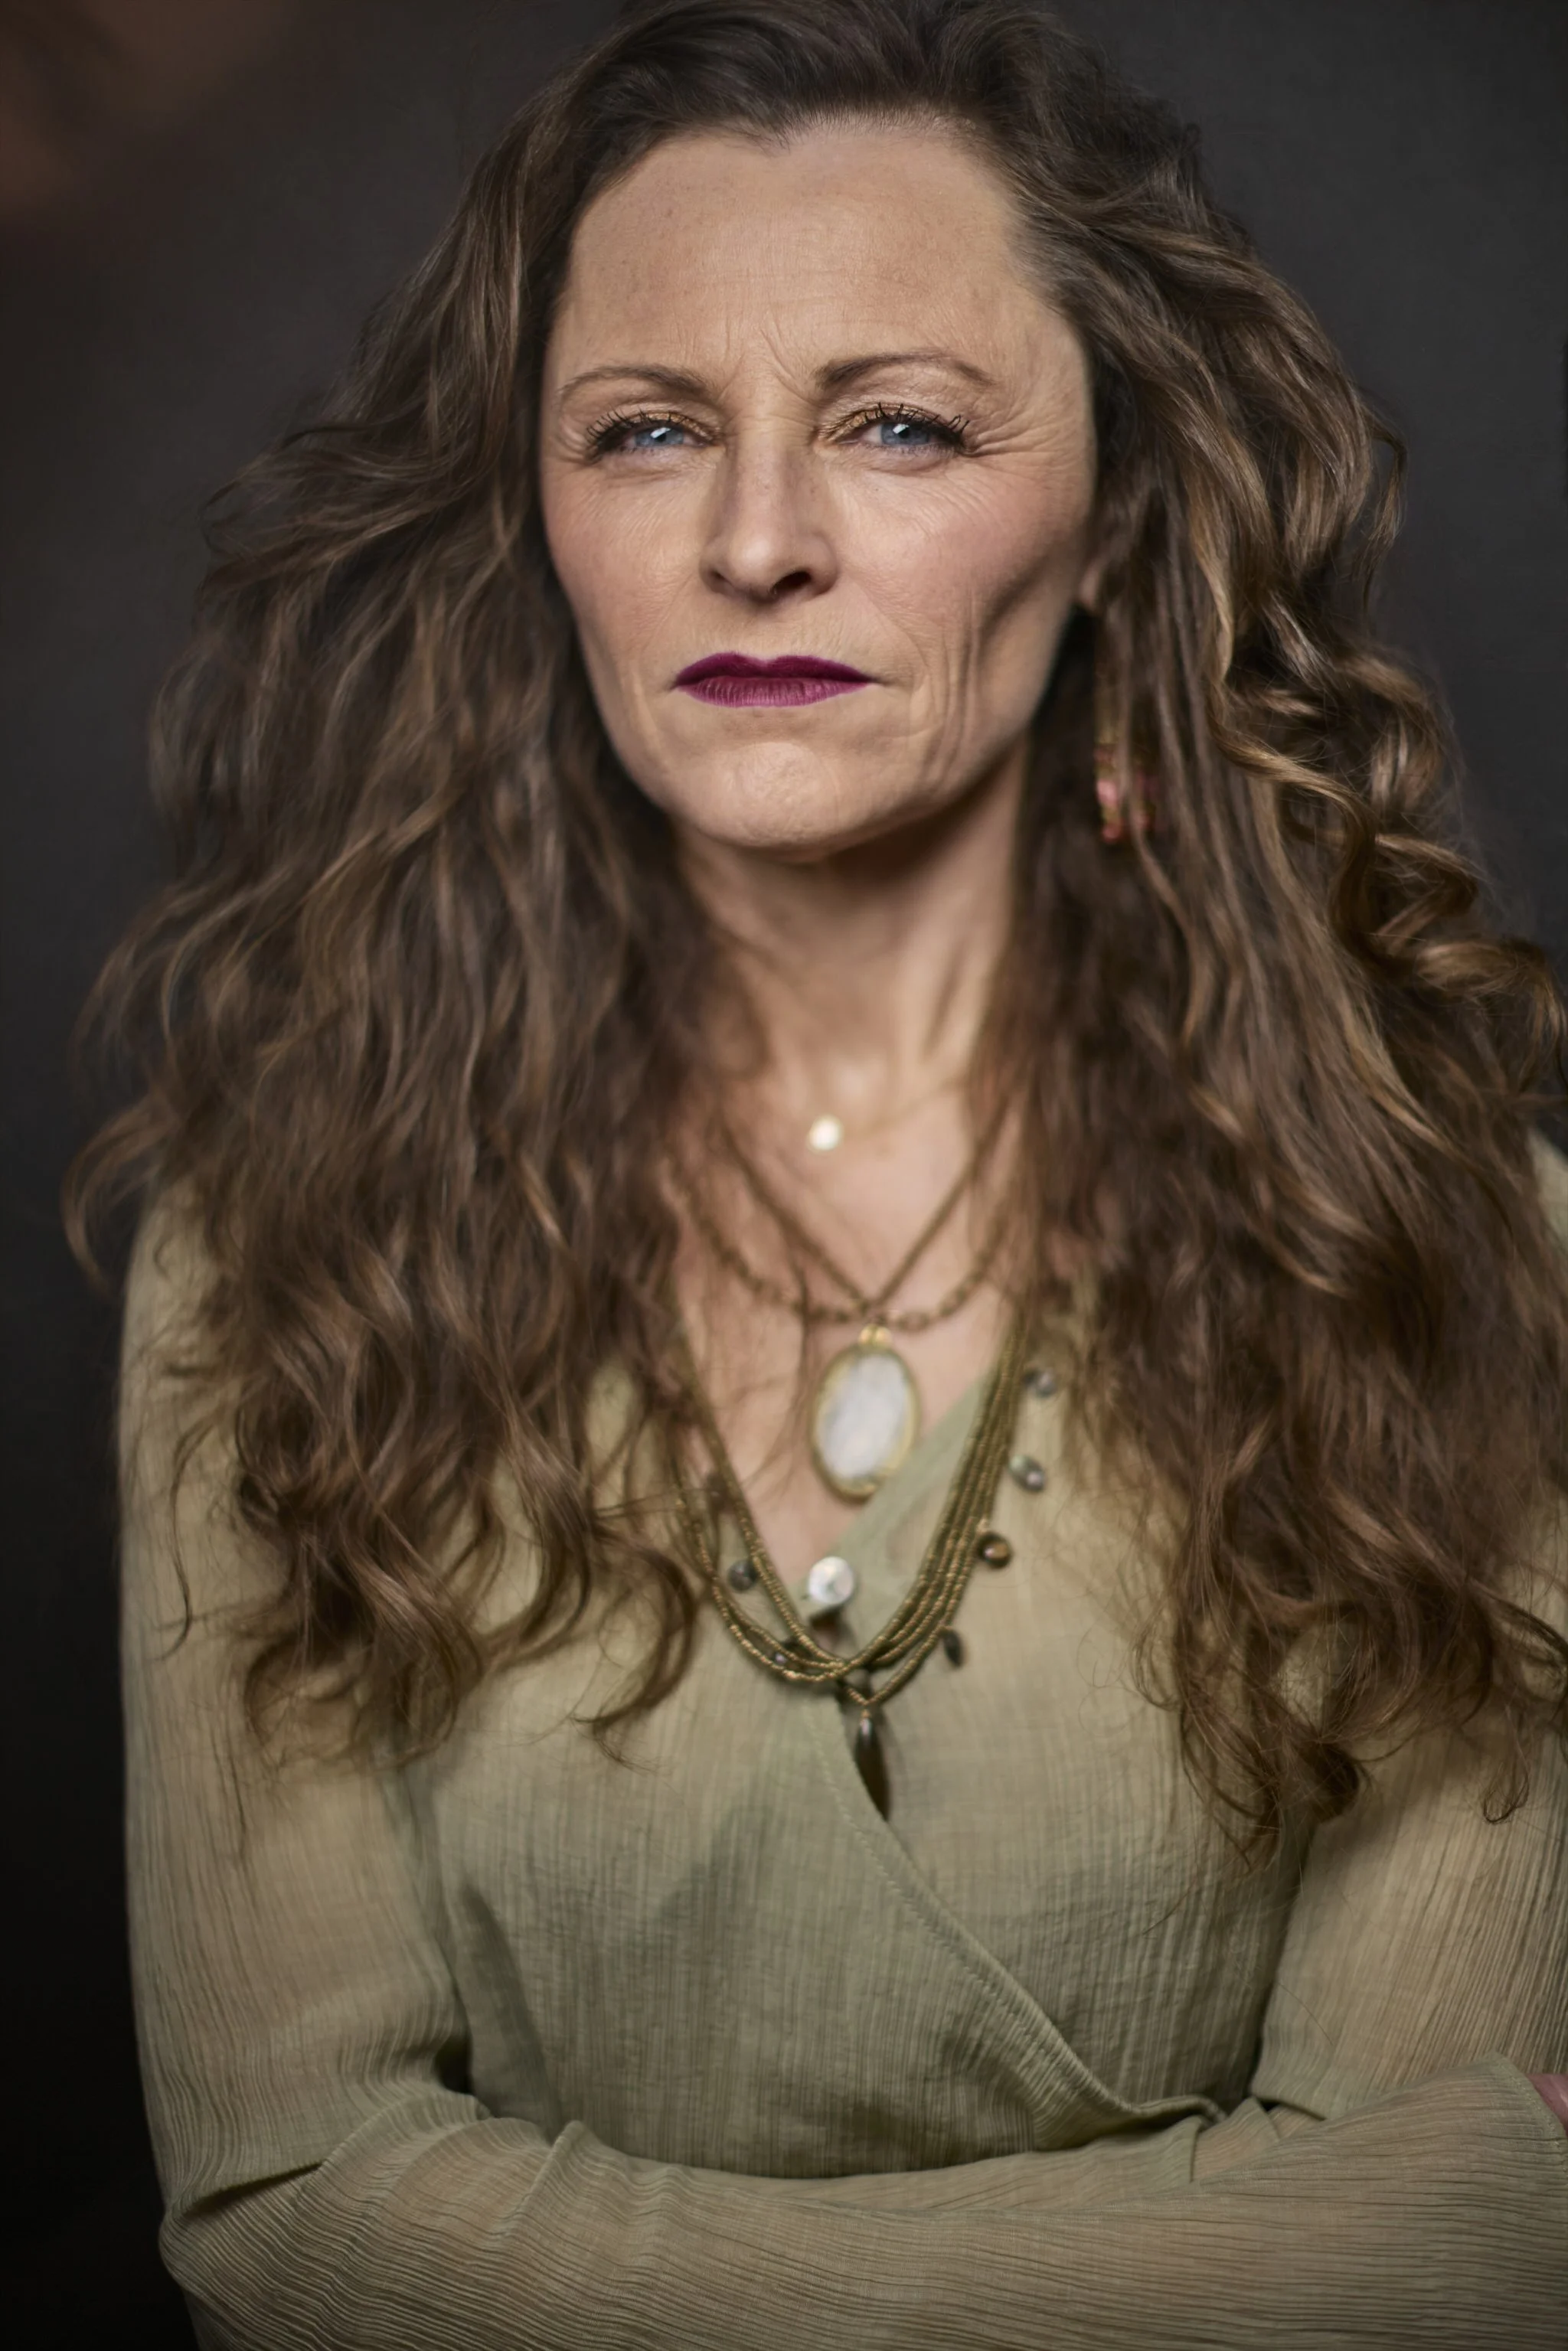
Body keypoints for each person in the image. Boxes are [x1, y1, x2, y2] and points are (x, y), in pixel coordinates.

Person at [71, 2, 1568, 2343]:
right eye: (649, 429)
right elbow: (288, 2207)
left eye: (899, 423)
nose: (757, 541)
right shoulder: (275, 1259)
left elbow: (1472, 2251)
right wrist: (1280, 2239)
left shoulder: (1464, 1245)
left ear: (1116, 523)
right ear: (536, 517)